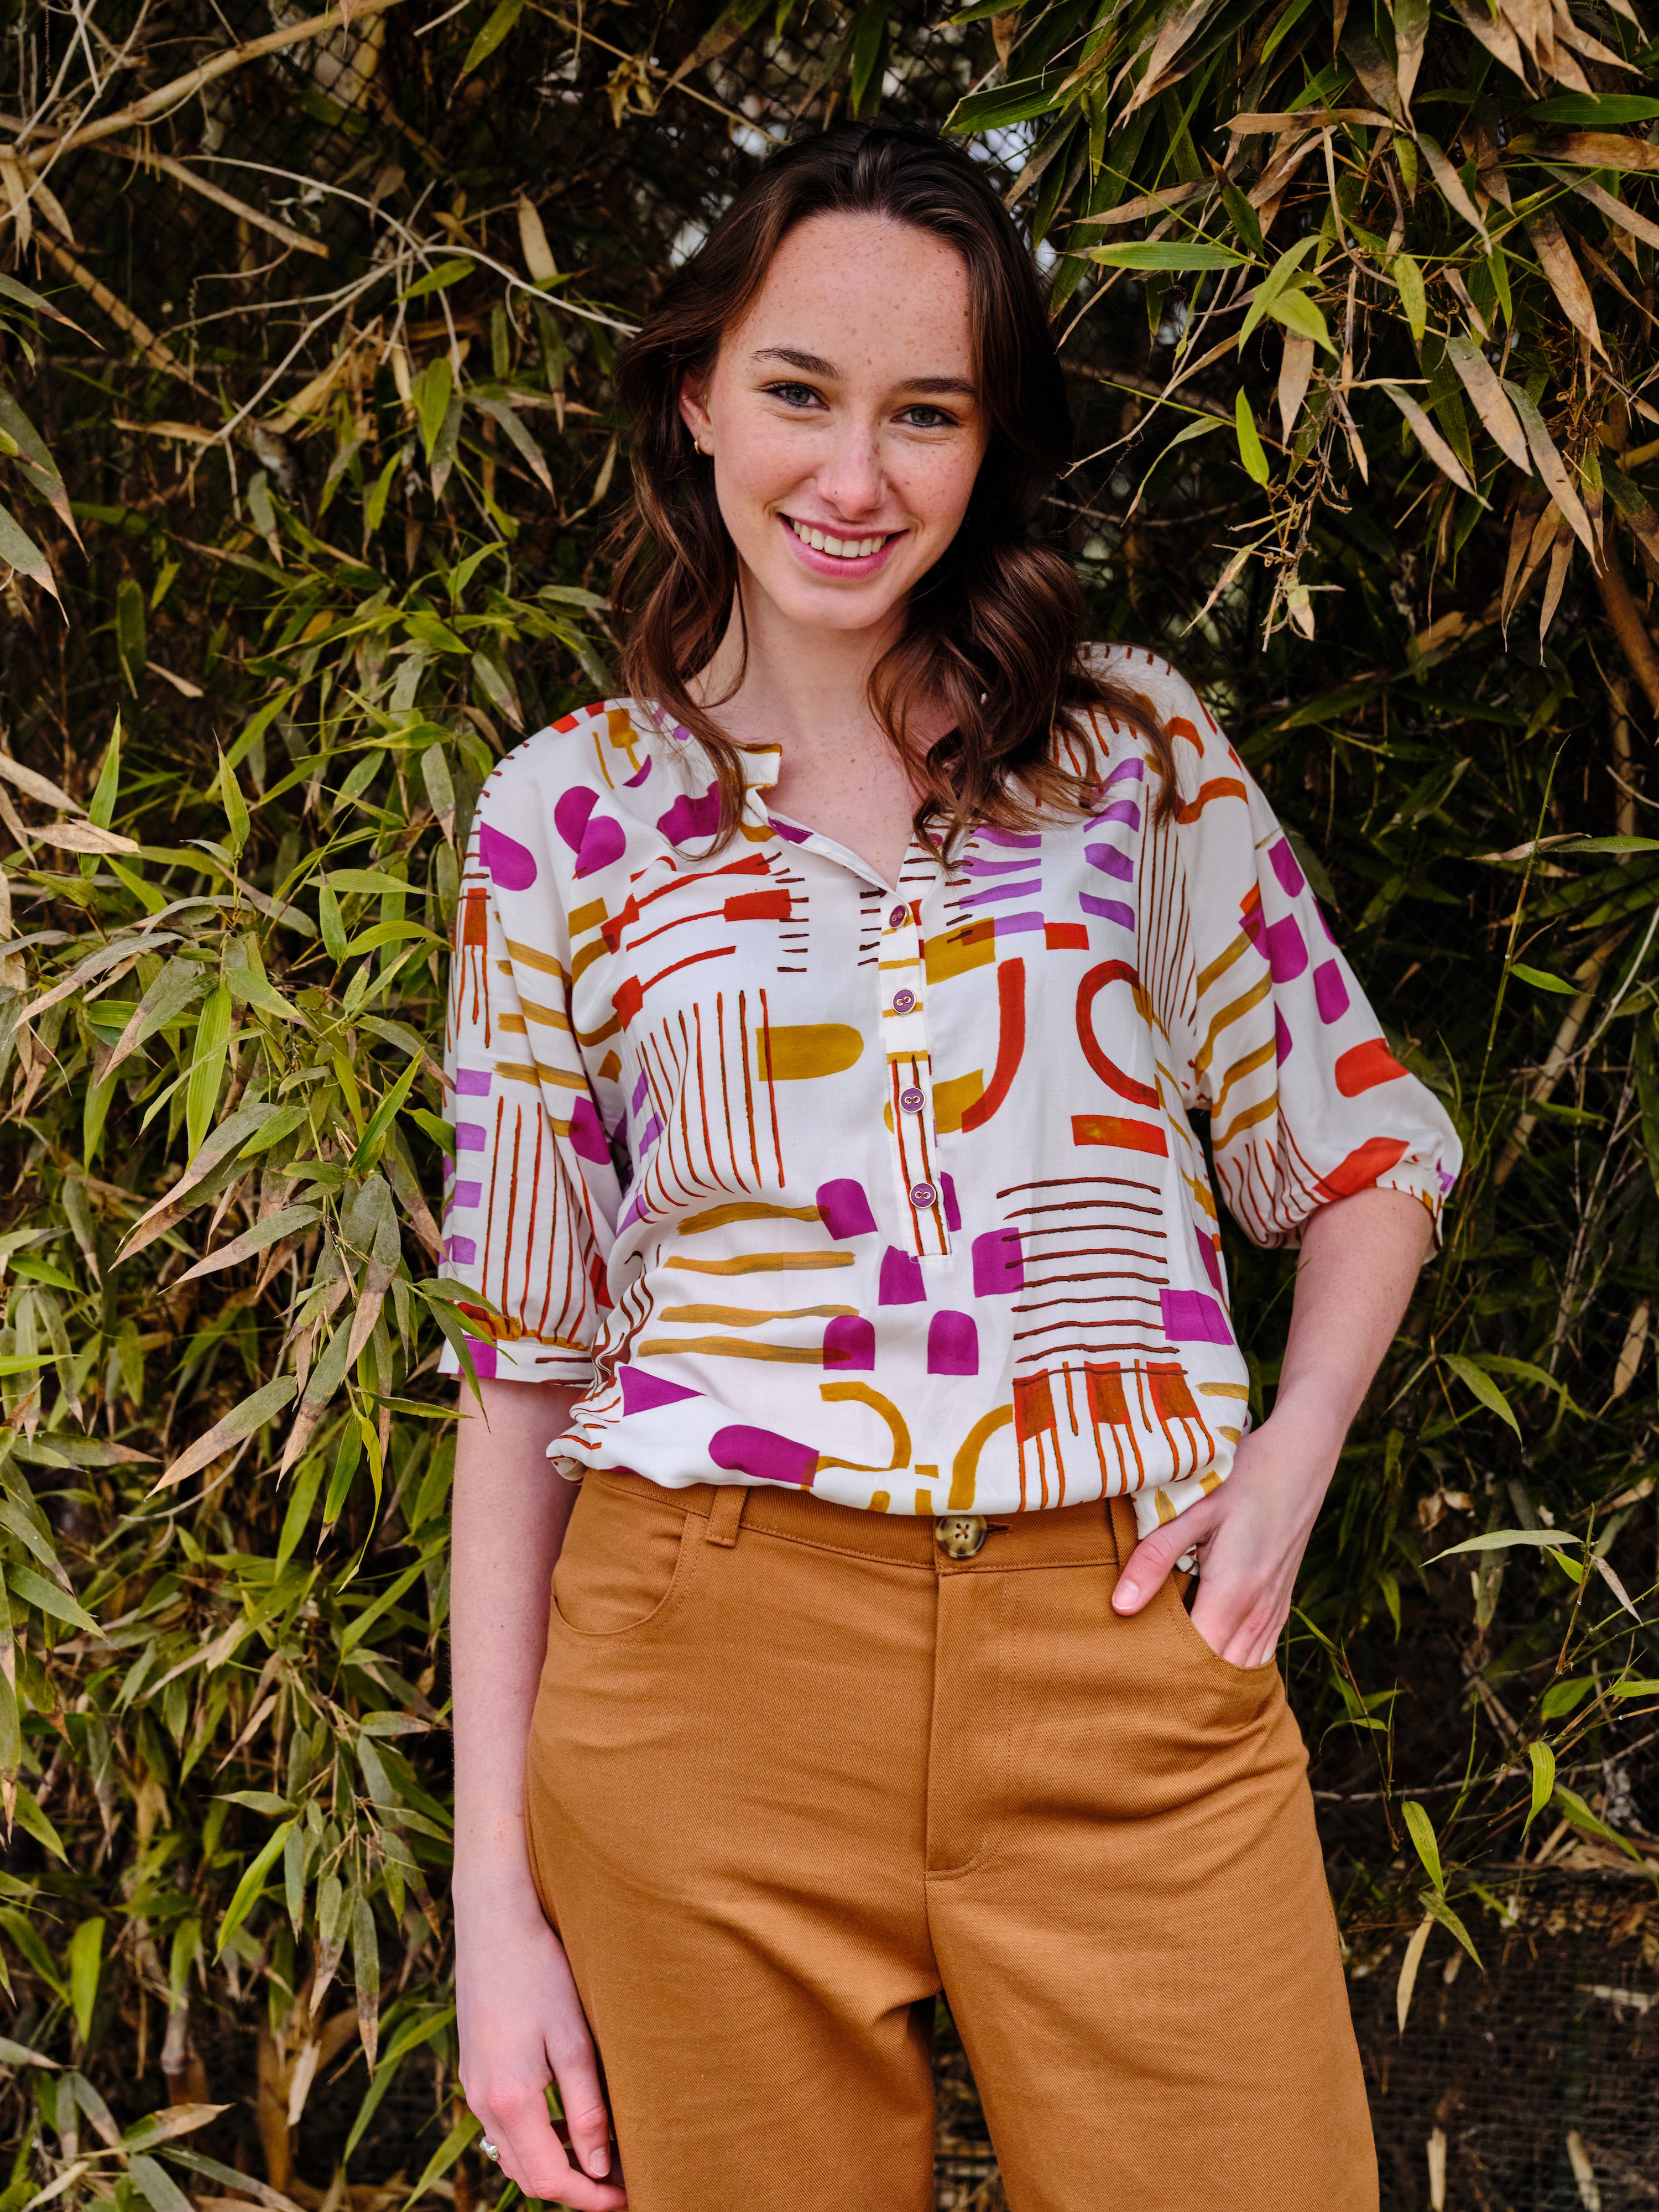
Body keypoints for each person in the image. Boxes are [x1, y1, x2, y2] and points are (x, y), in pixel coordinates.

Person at [442, 122, 1459, 2212]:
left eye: (927, 413)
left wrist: (1292, 1463)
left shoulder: (1128, 752)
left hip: (1127, 1659)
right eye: (800, 392)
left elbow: (1365, 1145)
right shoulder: (564, 819)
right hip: (703, 1683)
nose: (855, 475)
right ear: (698, 394)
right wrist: (493, 1918)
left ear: (990, 447)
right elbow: (520, 1370)